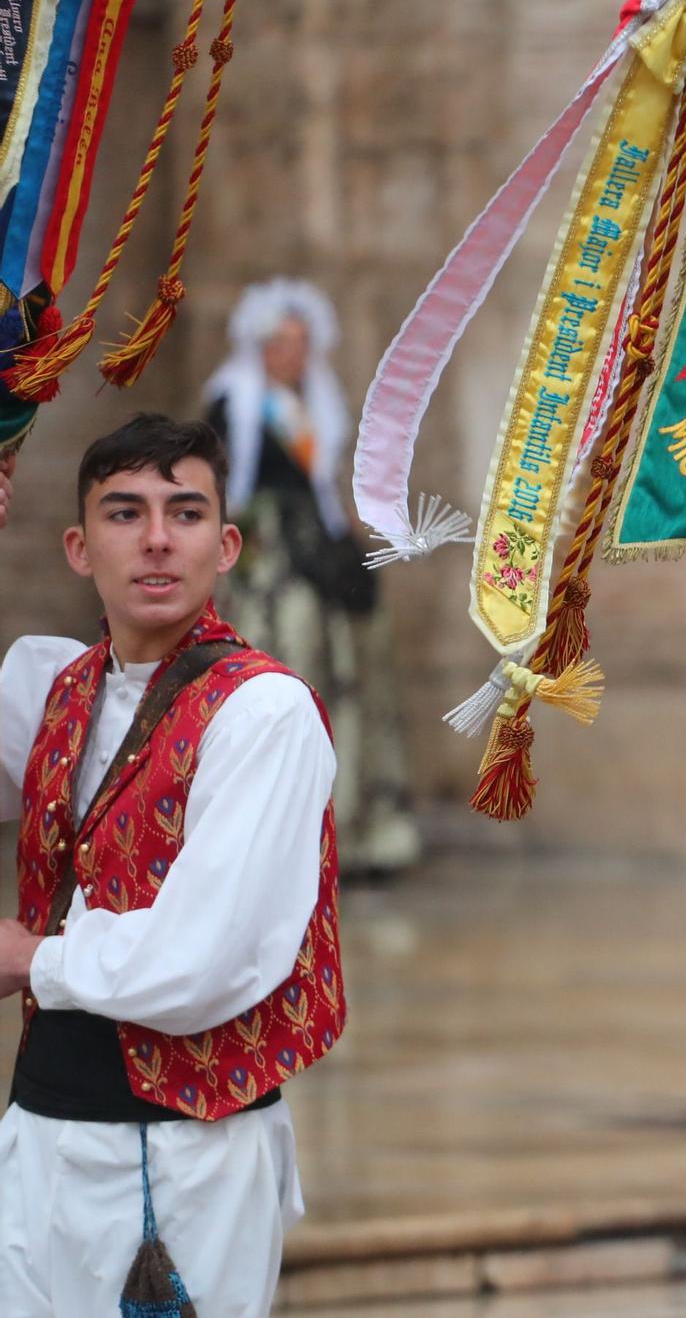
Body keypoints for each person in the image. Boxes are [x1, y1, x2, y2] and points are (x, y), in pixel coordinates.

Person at [0, 415, 346, 1316]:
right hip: (42, 1136)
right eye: (124, 513)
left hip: (194, 1161)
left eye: (184, 513)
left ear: (226, 544)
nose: (156, 539)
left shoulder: (265, 714)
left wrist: (33, 958)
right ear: (78, 547)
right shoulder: (50, 689)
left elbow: (211, 953)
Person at [205, 277, 419, 878]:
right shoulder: (233, 404)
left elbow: (325, 489)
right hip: (265, 561)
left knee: (343, 671)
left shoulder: (311, 408)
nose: (292, 354)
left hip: (318, 557)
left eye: (300, 342)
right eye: (281, 342)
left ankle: (351, 827)